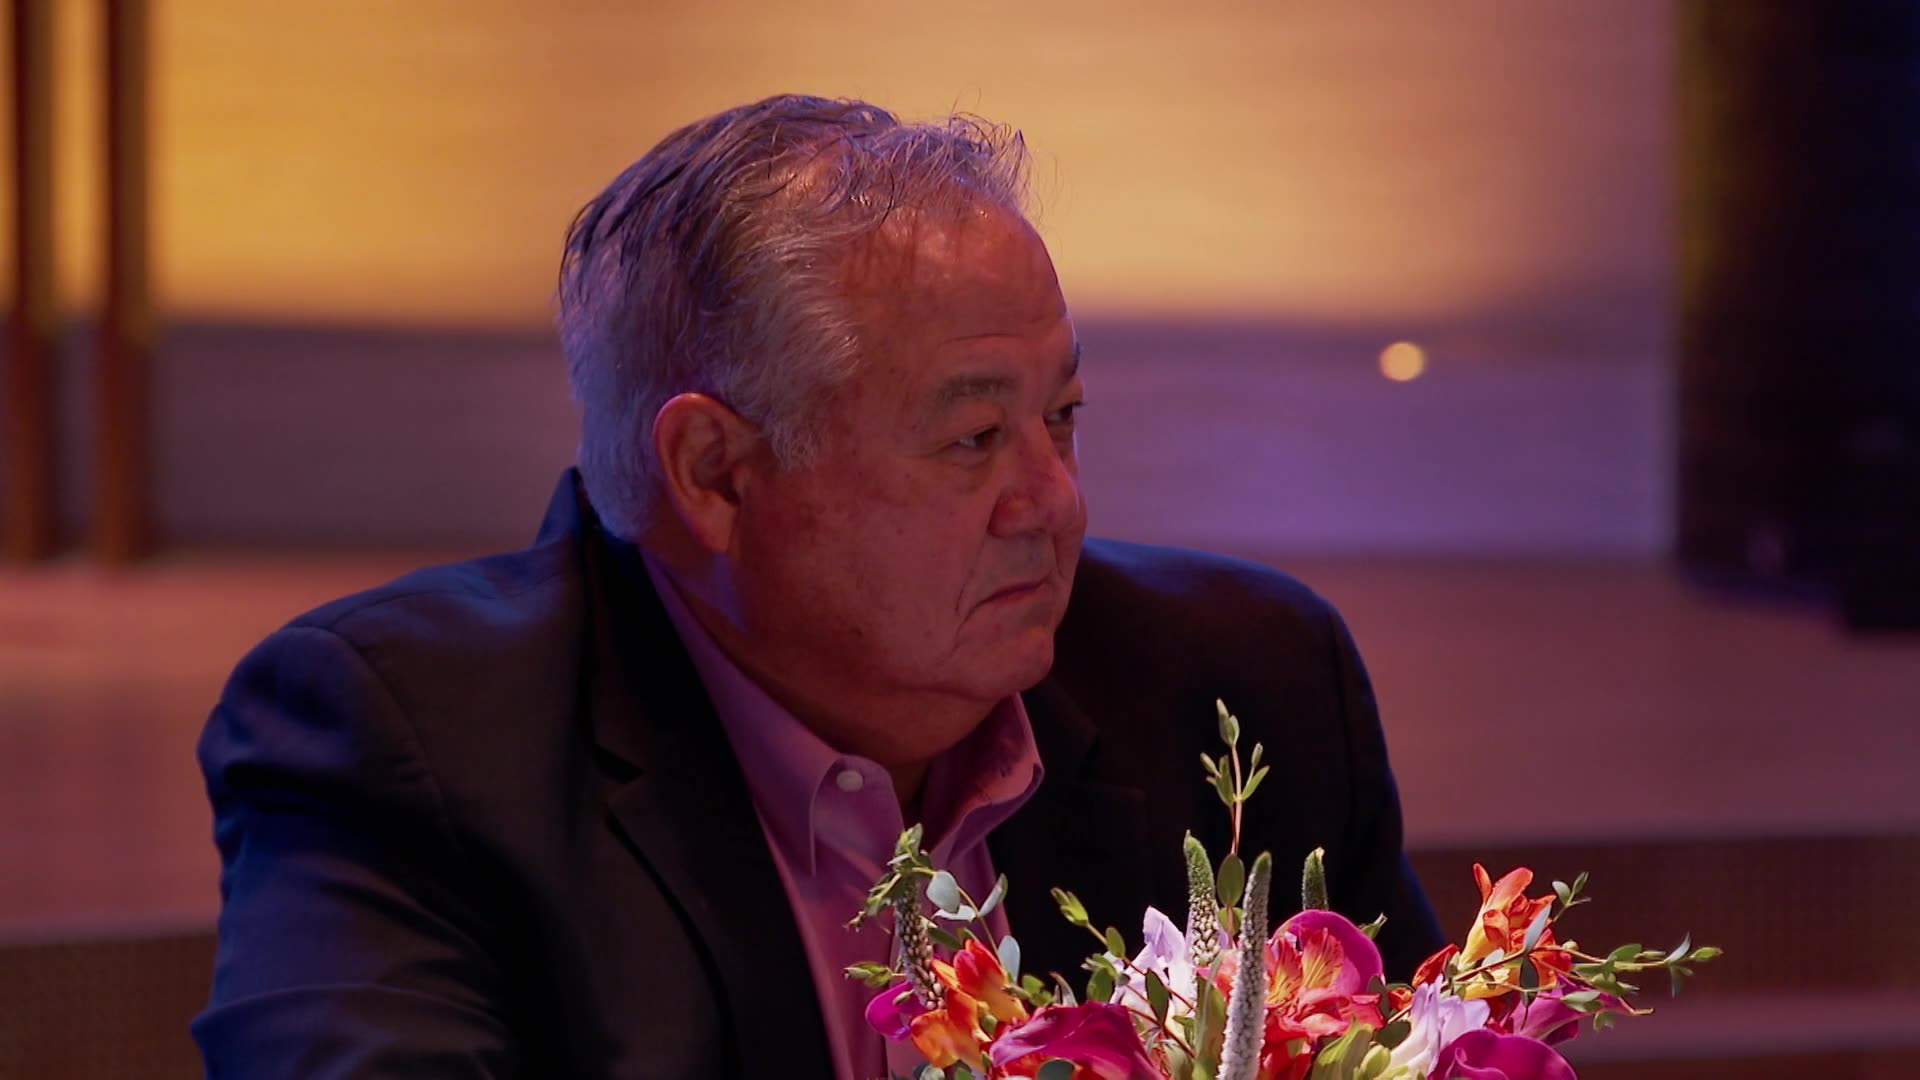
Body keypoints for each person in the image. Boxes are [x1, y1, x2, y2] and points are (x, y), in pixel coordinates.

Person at [194, 94, 1443, 1079]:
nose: (1054, 502)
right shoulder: (403, 746)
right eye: (973, 438)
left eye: (1061, 418)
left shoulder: (1241, 690)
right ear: (714, 473)